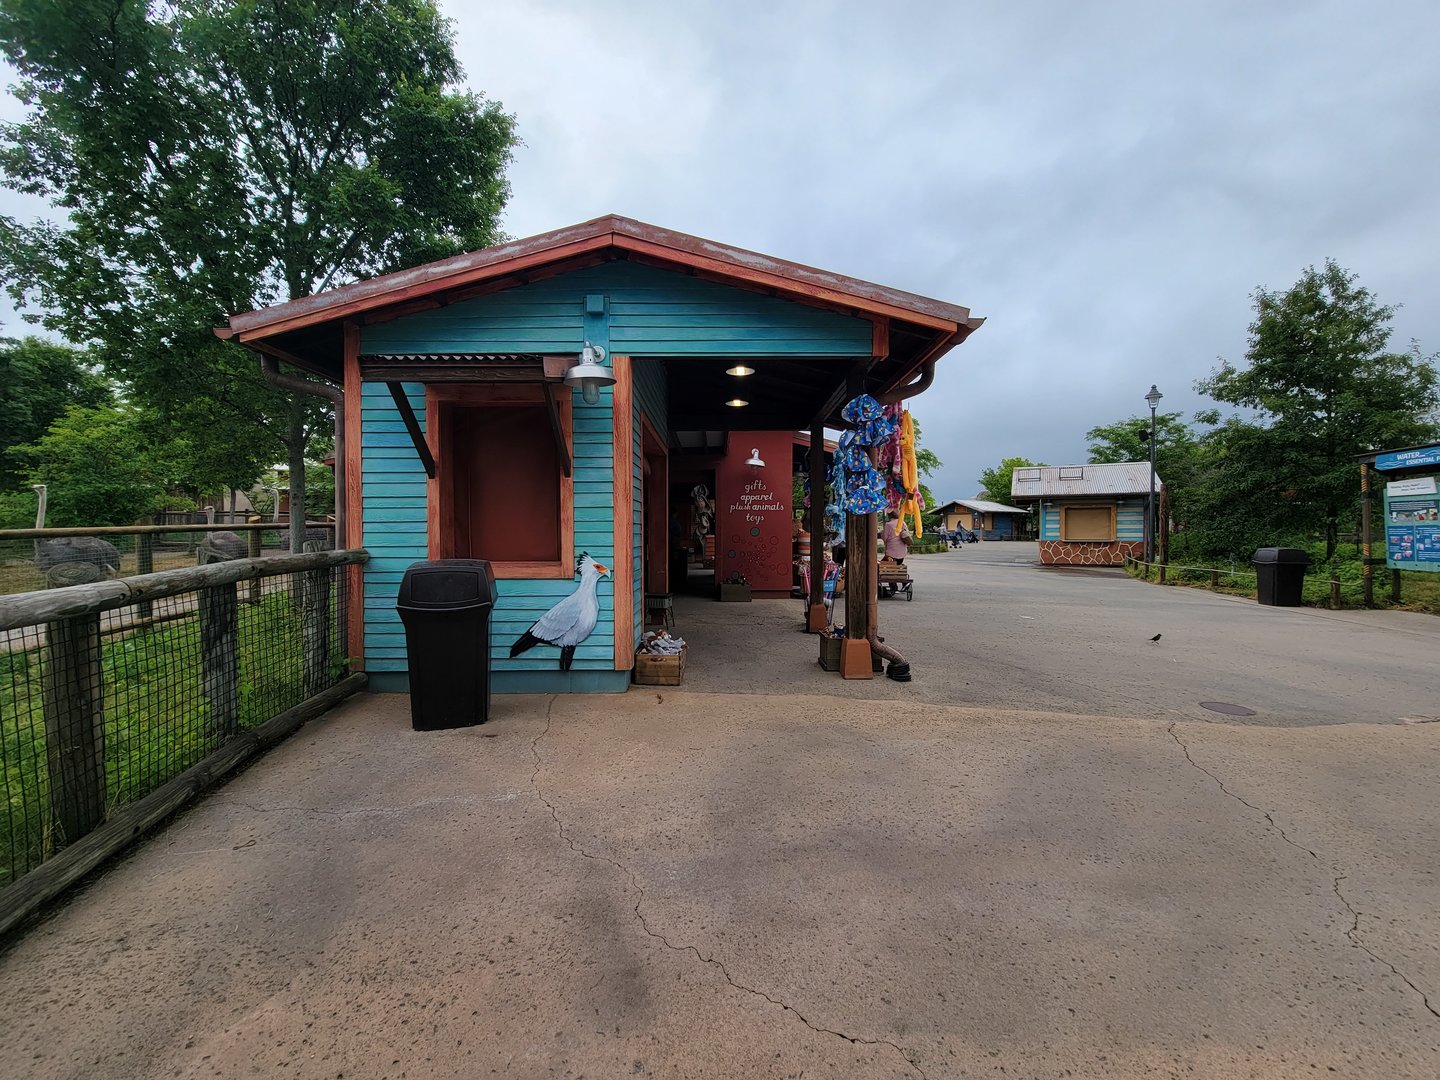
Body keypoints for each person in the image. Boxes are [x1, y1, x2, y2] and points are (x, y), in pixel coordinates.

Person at [881, 509, 910, 596]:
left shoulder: (888, 525)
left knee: (886, 568)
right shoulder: (903, 523)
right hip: (902, 552)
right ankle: (904, 583)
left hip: (891, 552)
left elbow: (885, 537)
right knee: (896, 568)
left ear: (889, 516)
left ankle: (894, 587)